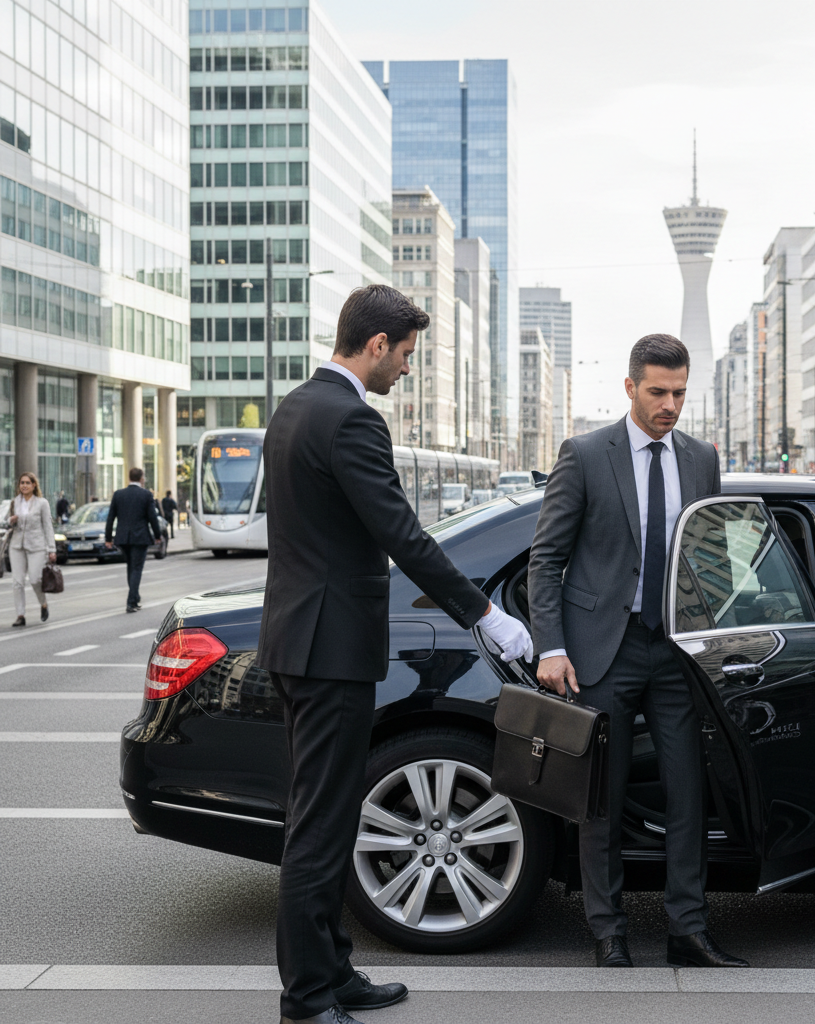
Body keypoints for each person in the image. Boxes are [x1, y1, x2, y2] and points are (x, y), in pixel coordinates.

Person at [258, 284, 532, 1024]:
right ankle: (308, 1000)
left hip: (298, 639)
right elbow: (402, 535)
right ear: (376, 345)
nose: (406, 369)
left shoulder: (295, 407)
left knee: (328, 815)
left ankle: (333, 972)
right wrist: (484, 613)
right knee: (320, 828)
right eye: (406, 354)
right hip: (331, 650)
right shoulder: (351, 419)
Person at [528, 334, 749, 971]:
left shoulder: (701, 459)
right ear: (630, 388)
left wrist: (721, 637)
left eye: (679, 392)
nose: (670, 405)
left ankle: (688, 930)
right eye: (657, 392)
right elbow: (548, 561)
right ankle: (609, 929)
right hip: (604, 651)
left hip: (676, 653)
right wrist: (552, 646)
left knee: (688, 794)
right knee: (604, 794)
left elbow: (715, 562)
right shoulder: (587, 454)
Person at [104, 467, 161, 613]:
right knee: (136, 568)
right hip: (140, 537)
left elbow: (110, 518)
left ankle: (135, 598)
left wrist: (108, 538)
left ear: (129, 478)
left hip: (123, 538)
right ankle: (131, 601)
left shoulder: (118, 494)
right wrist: (158, 535)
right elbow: (152, 517)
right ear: (141, 478)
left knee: (131, 567)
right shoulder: (146, 495)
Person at [6, 472, 56, 627]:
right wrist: (11, 521)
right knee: (17, 582)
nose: (24, 486)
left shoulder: (42, 503)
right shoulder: (15, 502)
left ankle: (43, 604)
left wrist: (51, 548)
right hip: (17, 546)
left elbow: (48, 526)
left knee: (35, 579)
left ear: (34, 485)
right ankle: (20, 615)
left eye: (28, 483)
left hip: (36, 546)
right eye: (22, 483)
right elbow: (6, 522)